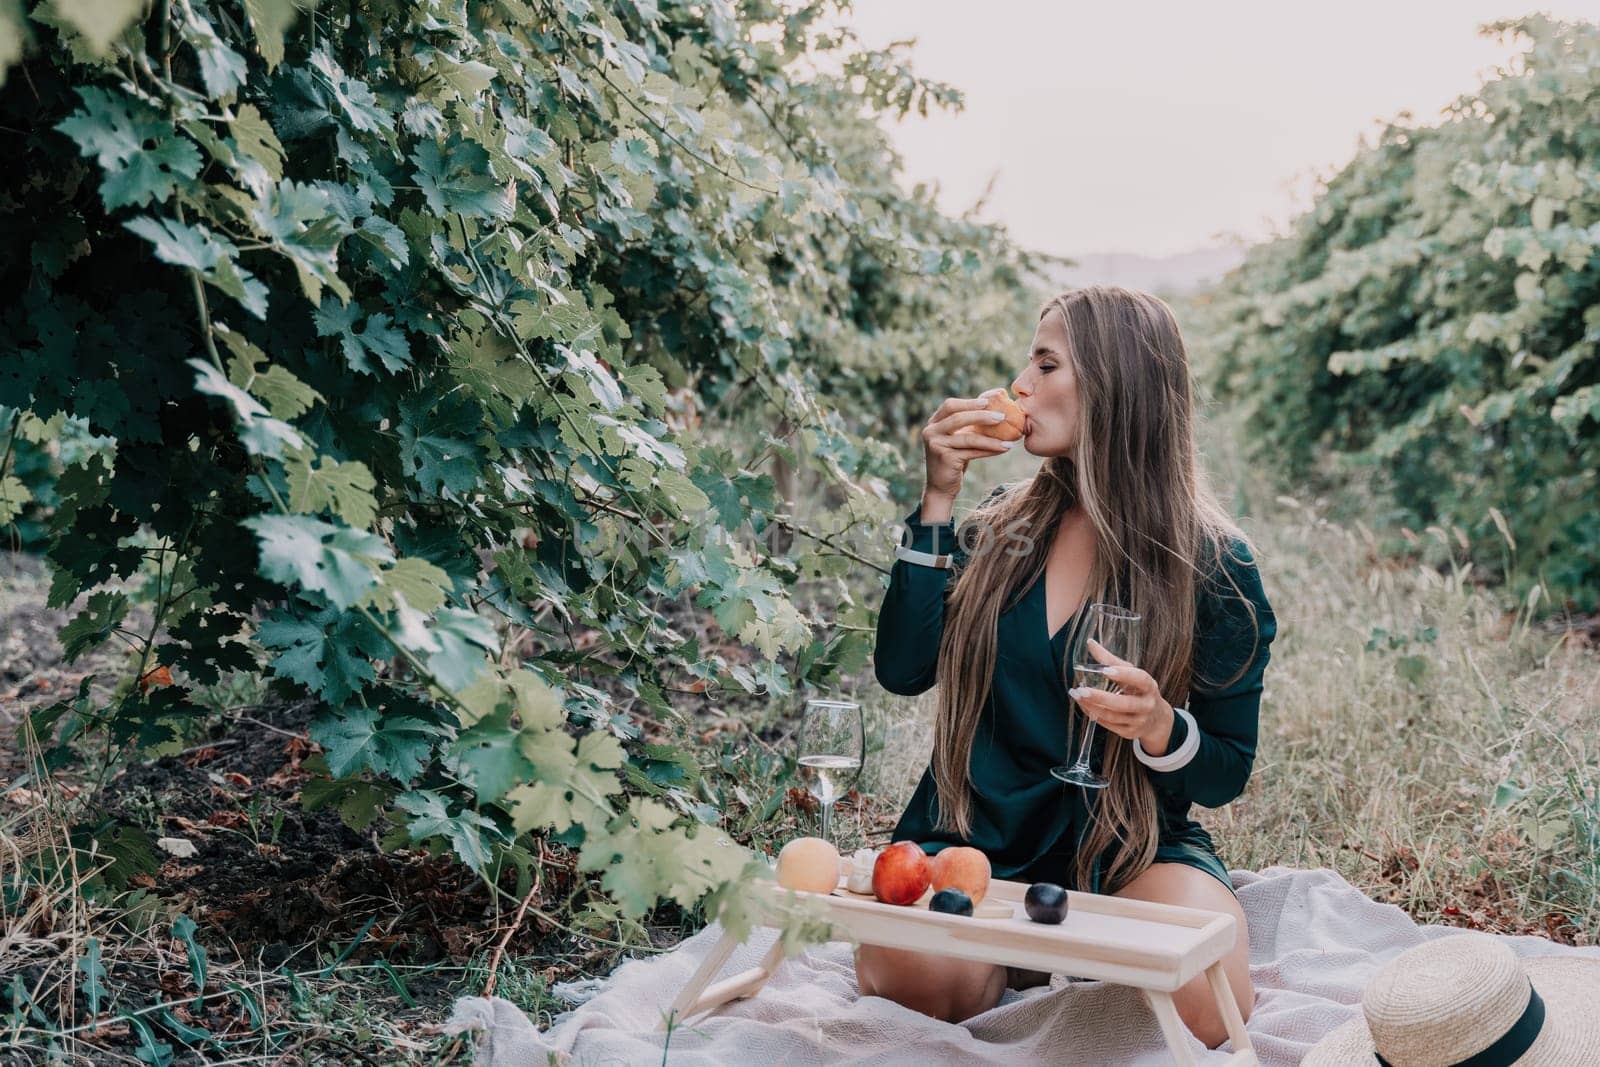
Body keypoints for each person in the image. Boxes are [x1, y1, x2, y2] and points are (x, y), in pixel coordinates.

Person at [859, 285, 1277, 1050]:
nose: (1019, 384)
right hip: (972, 834)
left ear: (1115, 386)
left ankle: (1058, 955)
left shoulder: (1212, 562)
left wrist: (1160, 728)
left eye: (1046, 363)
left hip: (1129, 844)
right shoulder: (996, 528)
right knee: (917, 983)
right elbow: (901, 668)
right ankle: (1018, 959)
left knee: (1210, 1004)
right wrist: (938, 497)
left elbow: (1224, 770)